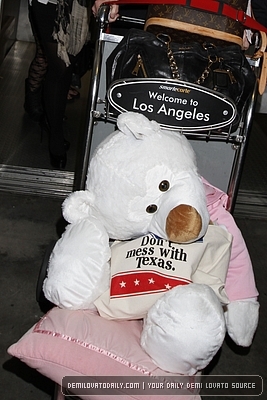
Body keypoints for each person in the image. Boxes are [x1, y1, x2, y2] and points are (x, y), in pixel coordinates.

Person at [28, 0, 90, 169]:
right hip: (48, 3)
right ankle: (55, 139)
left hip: (80, 6)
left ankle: (50, 115)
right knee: (60, 65)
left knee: (68, 64)